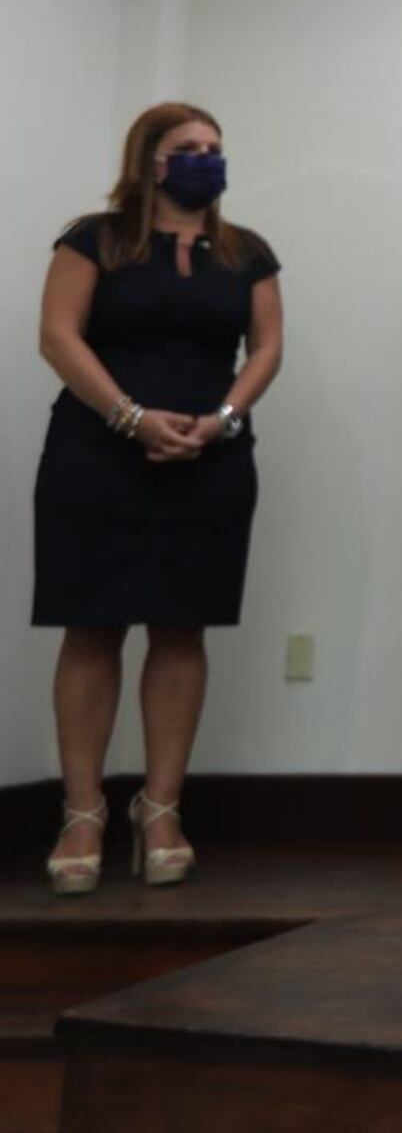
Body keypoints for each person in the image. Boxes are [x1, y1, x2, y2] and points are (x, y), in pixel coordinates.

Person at [34, 102, 282, 894]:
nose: (207, 159)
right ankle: (82, 814)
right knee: (92, 625)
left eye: (216, 147)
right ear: (149, 162)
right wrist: (131, 418)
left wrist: (223, 421)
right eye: (188, 149)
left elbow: (268, 346)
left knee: (182, 628)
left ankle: (161, 809)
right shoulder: (93, 239)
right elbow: (58, 335)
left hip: (209, 458)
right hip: (97, 455)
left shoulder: (246, 251)